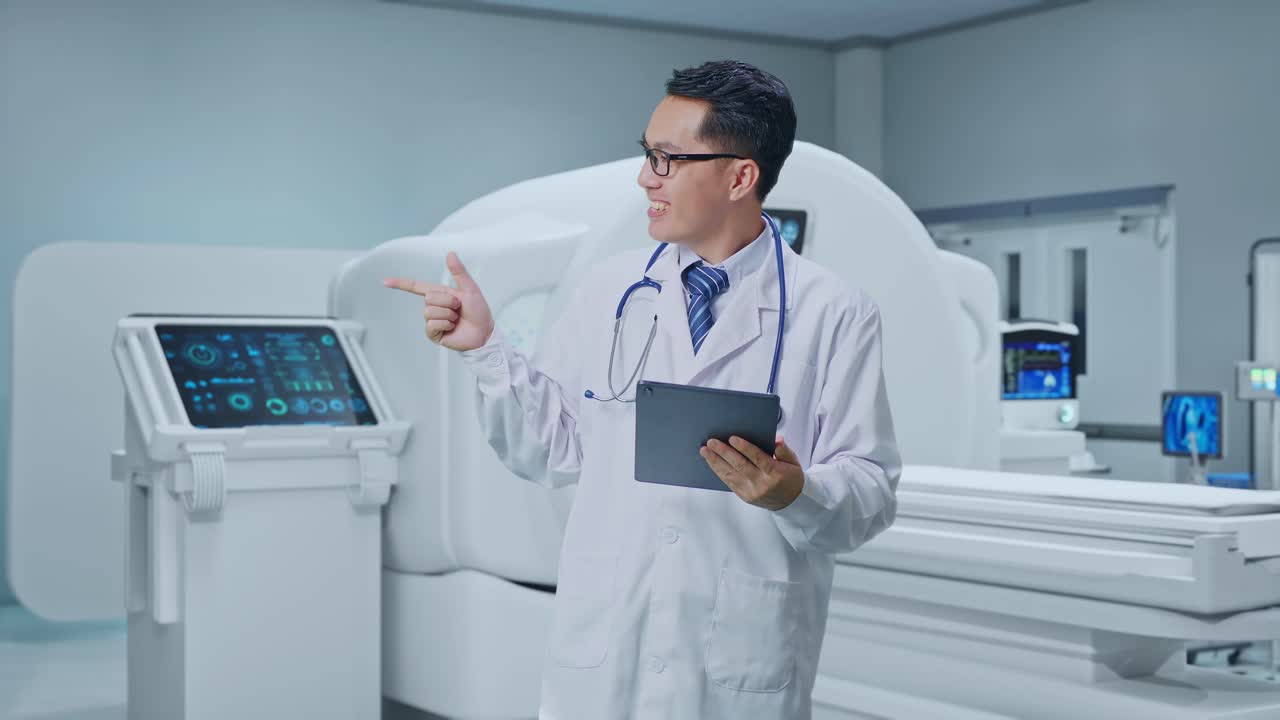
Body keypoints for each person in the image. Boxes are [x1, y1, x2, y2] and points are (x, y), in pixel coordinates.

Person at [386, 59, 901, 720]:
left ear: (740, 175)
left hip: (739, 666)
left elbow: (871, 491)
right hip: (607, 656)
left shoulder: (834, 311)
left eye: (667, 160)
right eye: (646, 156)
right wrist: (486, 349)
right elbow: (554, 450)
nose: (644, 178)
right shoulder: (612, 290)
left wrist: (797, 493)